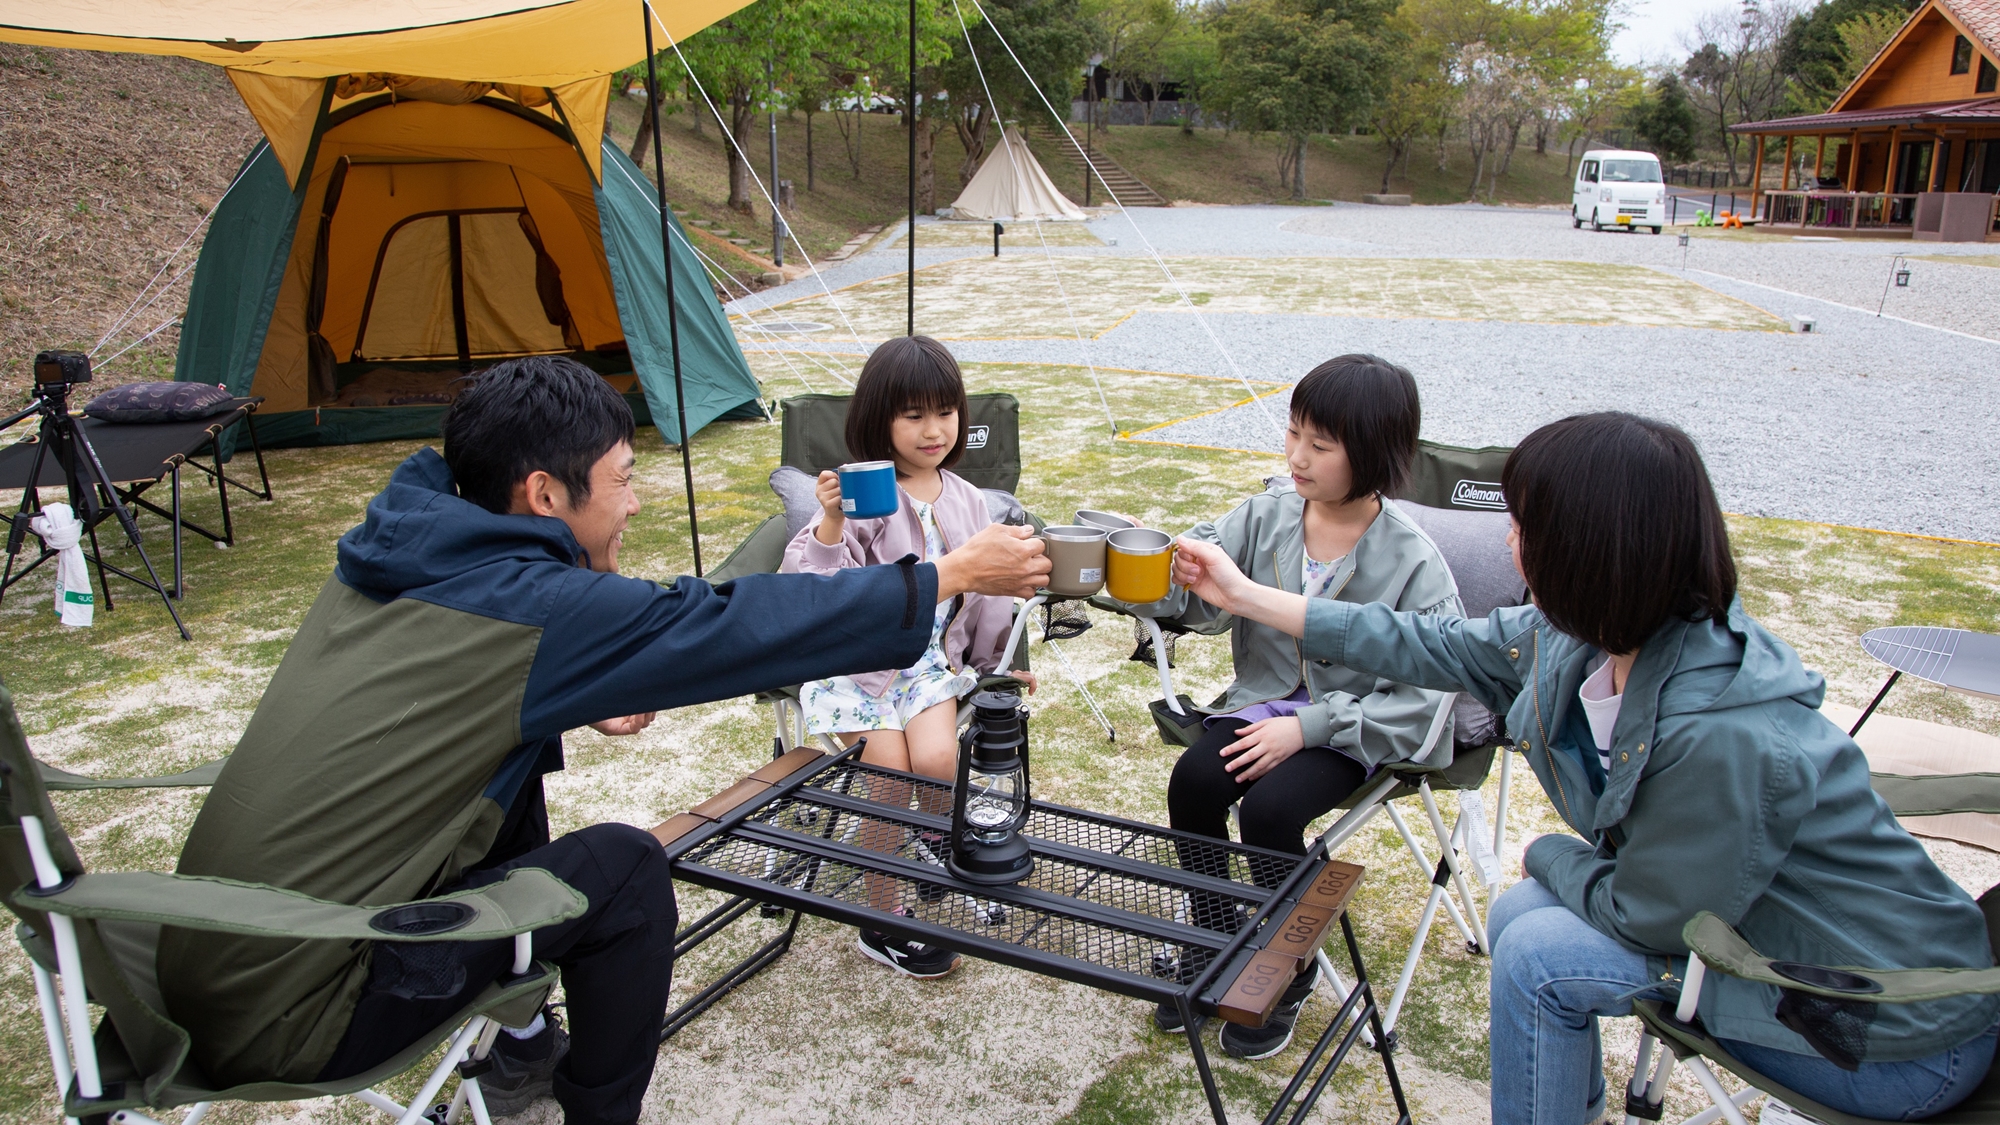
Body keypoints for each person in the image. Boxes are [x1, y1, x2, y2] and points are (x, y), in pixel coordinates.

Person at [157, 355, 1049, 1125]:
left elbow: (459, 695)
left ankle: (521, 1039)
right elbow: (727, 622)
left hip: (199, 951)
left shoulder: (407, 548)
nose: (636, 497)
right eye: (623, 477)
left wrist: (572, 693)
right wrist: (948, 574)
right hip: (312, 999)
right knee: (625, 870)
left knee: (514, 782)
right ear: (544, 493)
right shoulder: (537, 608)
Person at [1170, 411, 2000, 1125]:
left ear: (1594, 551)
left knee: (1537, 950)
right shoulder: (1579, 639)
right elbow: (1423, 641)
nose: (1507, 539)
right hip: (1764, 940)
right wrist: (1244, 596)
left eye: (1526, 526)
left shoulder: (1723, 731)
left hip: (1888, 1029)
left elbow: (1646, 913)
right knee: (1518, 918)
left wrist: (1549, 853)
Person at [1121, 355, 1461, 1060]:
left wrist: (1306, 726)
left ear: (1374, 454)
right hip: (1258, 706)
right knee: (1194, 779)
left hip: (1353, 727)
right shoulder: (1266, 514)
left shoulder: (1414, 561)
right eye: (1295, 432)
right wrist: (1155, 565)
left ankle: (1288, 966)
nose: (1297, 455)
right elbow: (1197, 602)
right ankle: (1211, 936)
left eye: (1322, 444)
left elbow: (1424, 700)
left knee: (1270, 810)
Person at [781, 334, 1035, 980]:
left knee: (939, 758)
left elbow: (986, 594)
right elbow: (814, 588)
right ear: (880, 417)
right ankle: (882, 917)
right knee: (891, 774)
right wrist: (830, 522)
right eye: (913, 414)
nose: (933, 429)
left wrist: (995, 665)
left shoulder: (969, 499)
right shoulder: (864, 494)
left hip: (925, 665)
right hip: (852, 665)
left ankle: (922, 842)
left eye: (944, 412)